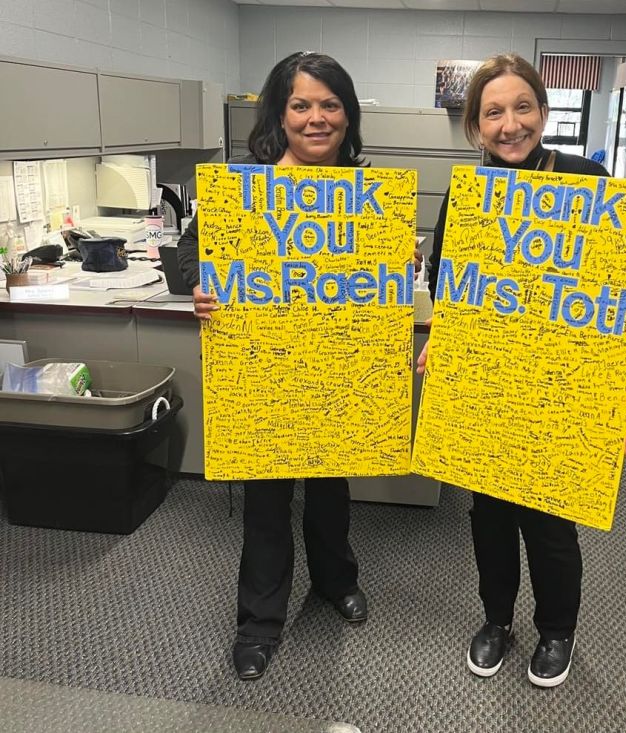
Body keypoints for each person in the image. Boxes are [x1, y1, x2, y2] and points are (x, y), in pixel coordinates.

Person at [418, 53, 626, 689]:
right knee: (488, 514)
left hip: (562, 390)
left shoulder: (590, 180)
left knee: (550, 521)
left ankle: (557, 631)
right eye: (492, 112)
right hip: (490, 387)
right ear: (475, 127)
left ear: (544, 113)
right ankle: (497, 620)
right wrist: (444, 338)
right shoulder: (470, 196)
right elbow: (450, 285)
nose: (510, 124)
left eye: (522, 107)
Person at [177, 52, 374, 682]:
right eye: (301, 105)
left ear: (347, 114)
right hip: (263, 371)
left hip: (336, 371)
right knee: (266, 499)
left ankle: (333, 581)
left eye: (329, 105)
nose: (316, 118)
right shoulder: (243, 190)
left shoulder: (365, 194)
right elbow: (187, 252)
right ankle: (259, 622)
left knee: (330, 490)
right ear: (280, 115)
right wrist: (200, 286)